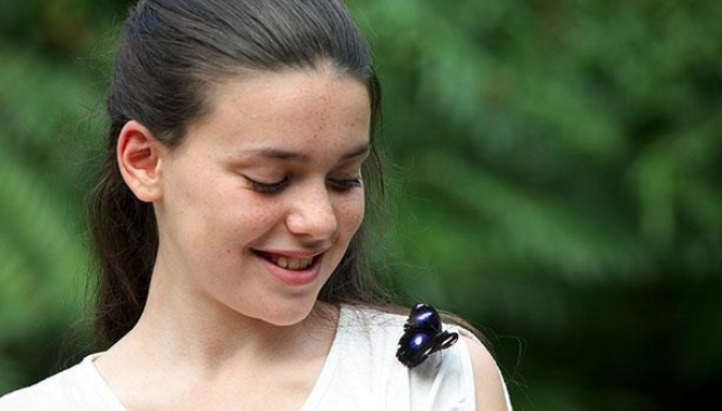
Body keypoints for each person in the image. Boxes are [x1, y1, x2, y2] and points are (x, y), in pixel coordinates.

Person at [0, 0, 513, 410]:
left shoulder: (429, 382)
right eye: (270, 180)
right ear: (145, 162)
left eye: (343, 179)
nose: (318, 220)